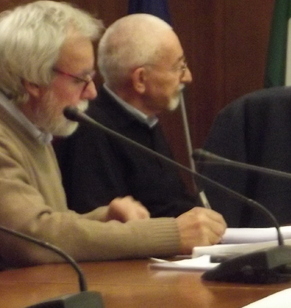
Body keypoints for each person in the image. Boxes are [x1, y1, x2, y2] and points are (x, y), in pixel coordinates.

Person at [0, 1, 225, 286]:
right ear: (32, 81)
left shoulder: (31, 126)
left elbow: (43, 223)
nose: (92, 92)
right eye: (80, 79)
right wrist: (171, 233)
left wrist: (103, 218)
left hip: (27, 299)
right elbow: (38, 240)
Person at [54, 13, 199, 217]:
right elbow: (101, 226)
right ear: (140, 79)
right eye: (179, 67)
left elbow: (169, 203)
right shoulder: (90, 130)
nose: (188, 77)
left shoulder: (147, 120)